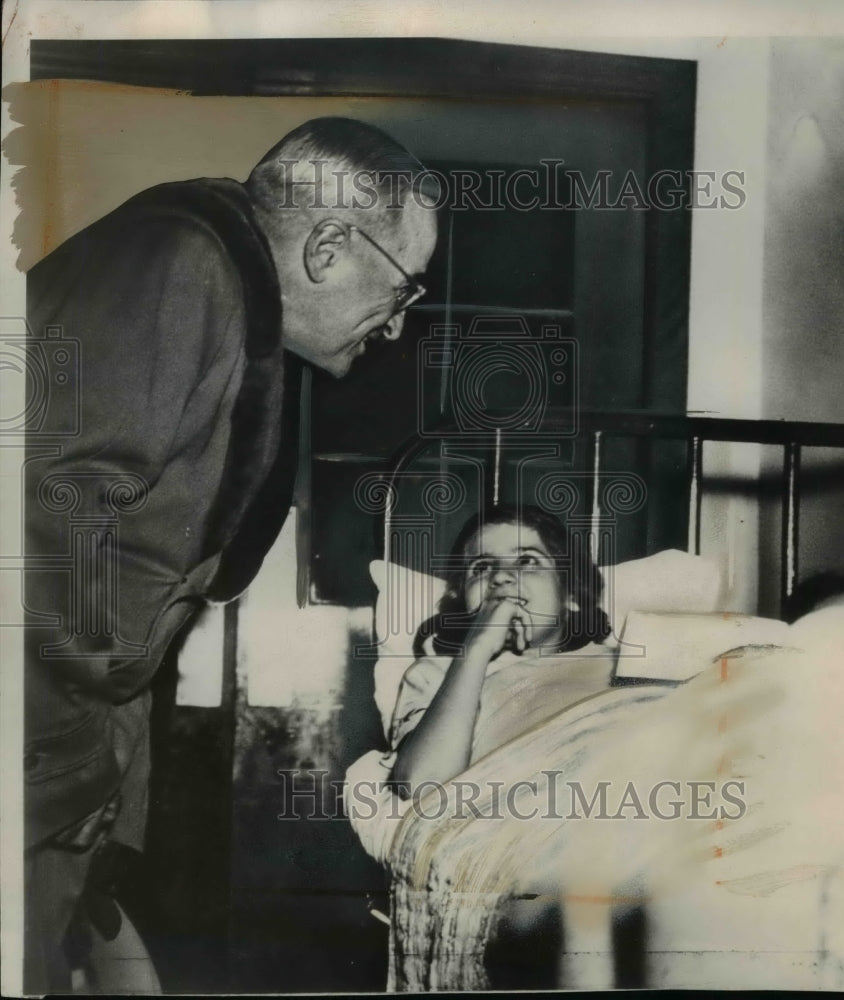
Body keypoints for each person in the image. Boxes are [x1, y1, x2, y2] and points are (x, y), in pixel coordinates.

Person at [23, 116, 438, 992]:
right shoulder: (176, 266)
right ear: (328, 245)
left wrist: (108, 783)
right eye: (403, 291)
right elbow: (59, 504)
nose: (398, 328)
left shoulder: (222, 290)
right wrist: (77, 749)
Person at [389, 504, 611, 792]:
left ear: (570, 594)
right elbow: (423, 784)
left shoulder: (615, 665)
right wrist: (477, 649)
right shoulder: (435, 675)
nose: (501, 576)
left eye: (527, 561)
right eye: (481, 567)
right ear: (462, 599)